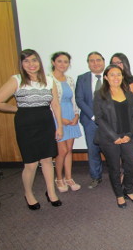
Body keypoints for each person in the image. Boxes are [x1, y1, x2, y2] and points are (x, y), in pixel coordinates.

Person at [0, 49, 63, 210]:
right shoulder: (17, 80)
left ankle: (51, 192)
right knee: (31, 164)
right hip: (26, 125)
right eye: (26, 61)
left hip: (46, 123)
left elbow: (55, 105)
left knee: (47, 160)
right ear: (22, 64)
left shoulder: (48, 80)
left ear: (39, 62)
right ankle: (28, 193)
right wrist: (17, 110)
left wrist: (59, 126)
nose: (31, 64)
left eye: (34, 60)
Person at [93, 64, 133, 209]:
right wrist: (114, 136)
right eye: (112, 74)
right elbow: (99, 118)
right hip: (109, 138)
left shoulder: (128, 93)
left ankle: (129, 190)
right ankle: (119, 195)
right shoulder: (99, 95)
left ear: (122, 76)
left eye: (118, 74)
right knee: (114, 168)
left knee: (131, 165)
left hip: (127, 136)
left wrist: (129, 135)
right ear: (106, 77)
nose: (116, 77)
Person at [49, 52, 82, 192]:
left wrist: (76, 115)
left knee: (69, 150)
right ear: (53, 62)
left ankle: (69, 178)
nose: (63, 64)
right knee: (61, 151)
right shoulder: (48, 79)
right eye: (60, 61)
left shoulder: (69, 79)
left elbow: (73, 99)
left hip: (70, 115)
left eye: (66, 62)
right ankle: (59, 178)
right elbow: (49, 103)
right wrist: (60, 120)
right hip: (57, 117)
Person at [75, 51, 105, 189]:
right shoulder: (82, 78)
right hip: (90, 120)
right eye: (91, 60)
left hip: (109, 121)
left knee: (112, 150)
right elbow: (79, 100)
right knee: (93, 150)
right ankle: (95, 177)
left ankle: (117, 175)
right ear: (88, 63)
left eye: (98, 60)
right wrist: (93, 116)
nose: (95, 63)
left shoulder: (111, 76)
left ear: (103, 62)